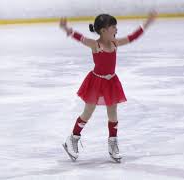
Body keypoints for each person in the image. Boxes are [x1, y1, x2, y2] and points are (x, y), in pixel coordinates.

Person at [59, 11, 157, 162]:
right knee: (88, 112)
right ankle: (72, 139)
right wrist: (67, 29)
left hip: (111, 82)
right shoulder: (95, 44)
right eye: (113, 27)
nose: (116, 30)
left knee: (113, 114)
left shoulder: (115, 43)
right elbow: (80, 38)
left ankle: (113, 143)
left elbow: (132, 37)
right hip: (95, 82)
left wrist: (147, 24)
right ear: (104, 31)